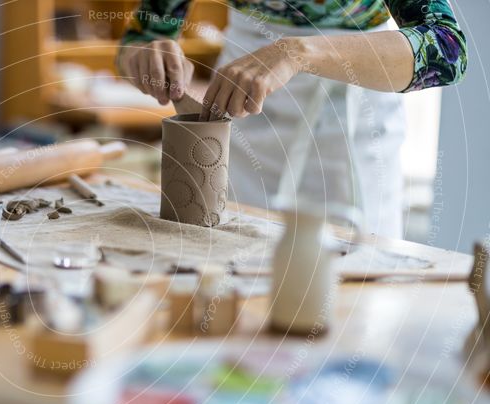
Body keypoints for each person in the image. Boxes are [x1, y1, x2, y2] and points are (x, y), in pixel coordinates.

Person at [118, 1, 467, 237]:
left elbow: (447, 50)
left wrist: (298, 52)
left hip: (349, 127)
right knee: (233, 272)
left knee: (348, 293)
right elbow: (141, 37)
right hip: (241, 122)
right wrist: (145, 53)